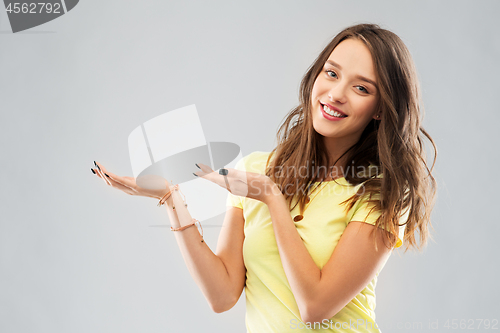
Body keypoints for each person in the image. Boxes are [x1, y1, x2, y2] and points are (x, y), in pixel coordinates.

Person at [91, 23, 437, 332]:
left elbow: (314, 307)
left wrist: (273, 198)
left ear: (380, 109)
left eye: (361, 88)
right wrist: (170, 198)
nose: (336, 94)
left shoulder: (381, 194)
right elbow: (223, 294)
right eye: (331, 74)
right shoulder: (259, 169)